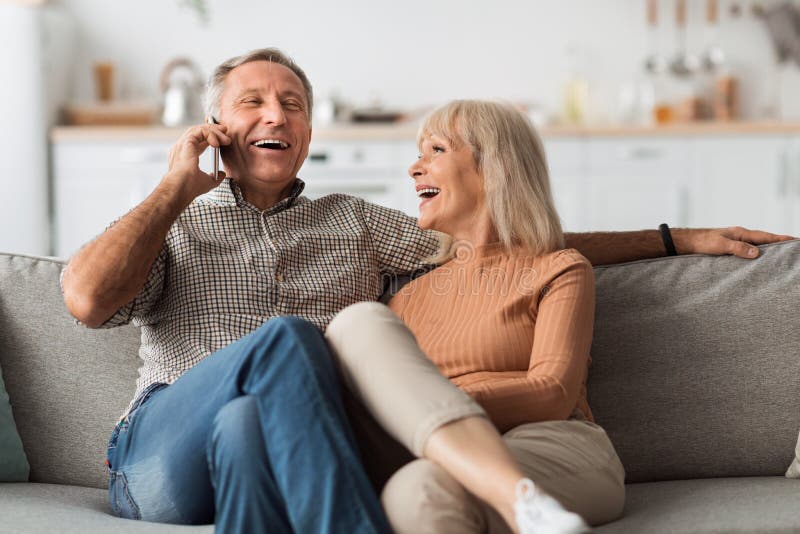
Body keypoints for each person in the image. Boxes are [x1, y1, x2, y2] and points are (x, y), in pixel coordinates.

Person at [60, 47, 793, 532]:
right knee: (292, 339)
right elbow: (88, 301)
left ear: (309, 130)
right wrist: (172, 188)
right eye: (251, 102)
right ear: (216, 126)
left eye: (292, 103)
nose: (275, 114)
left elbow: (509, 242)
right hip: (159, 455)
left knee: (251, 422)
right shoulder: (174, 226)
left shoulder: (356, 225)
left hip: (255, 451)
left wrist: (674, 240)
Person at [324, 100, 620, 533]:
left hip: (555, 444)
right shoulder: (408, 298)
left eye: (436, 150)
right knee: (417, 488)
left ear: (493, 168)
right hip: (441, 460)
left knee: (427, 486)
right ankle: (524, 510)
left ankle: (526, 500)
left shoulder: (558, 268)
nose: (414, 168)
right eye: (418, 152)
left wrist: (437, 406)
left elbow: (552, 393)